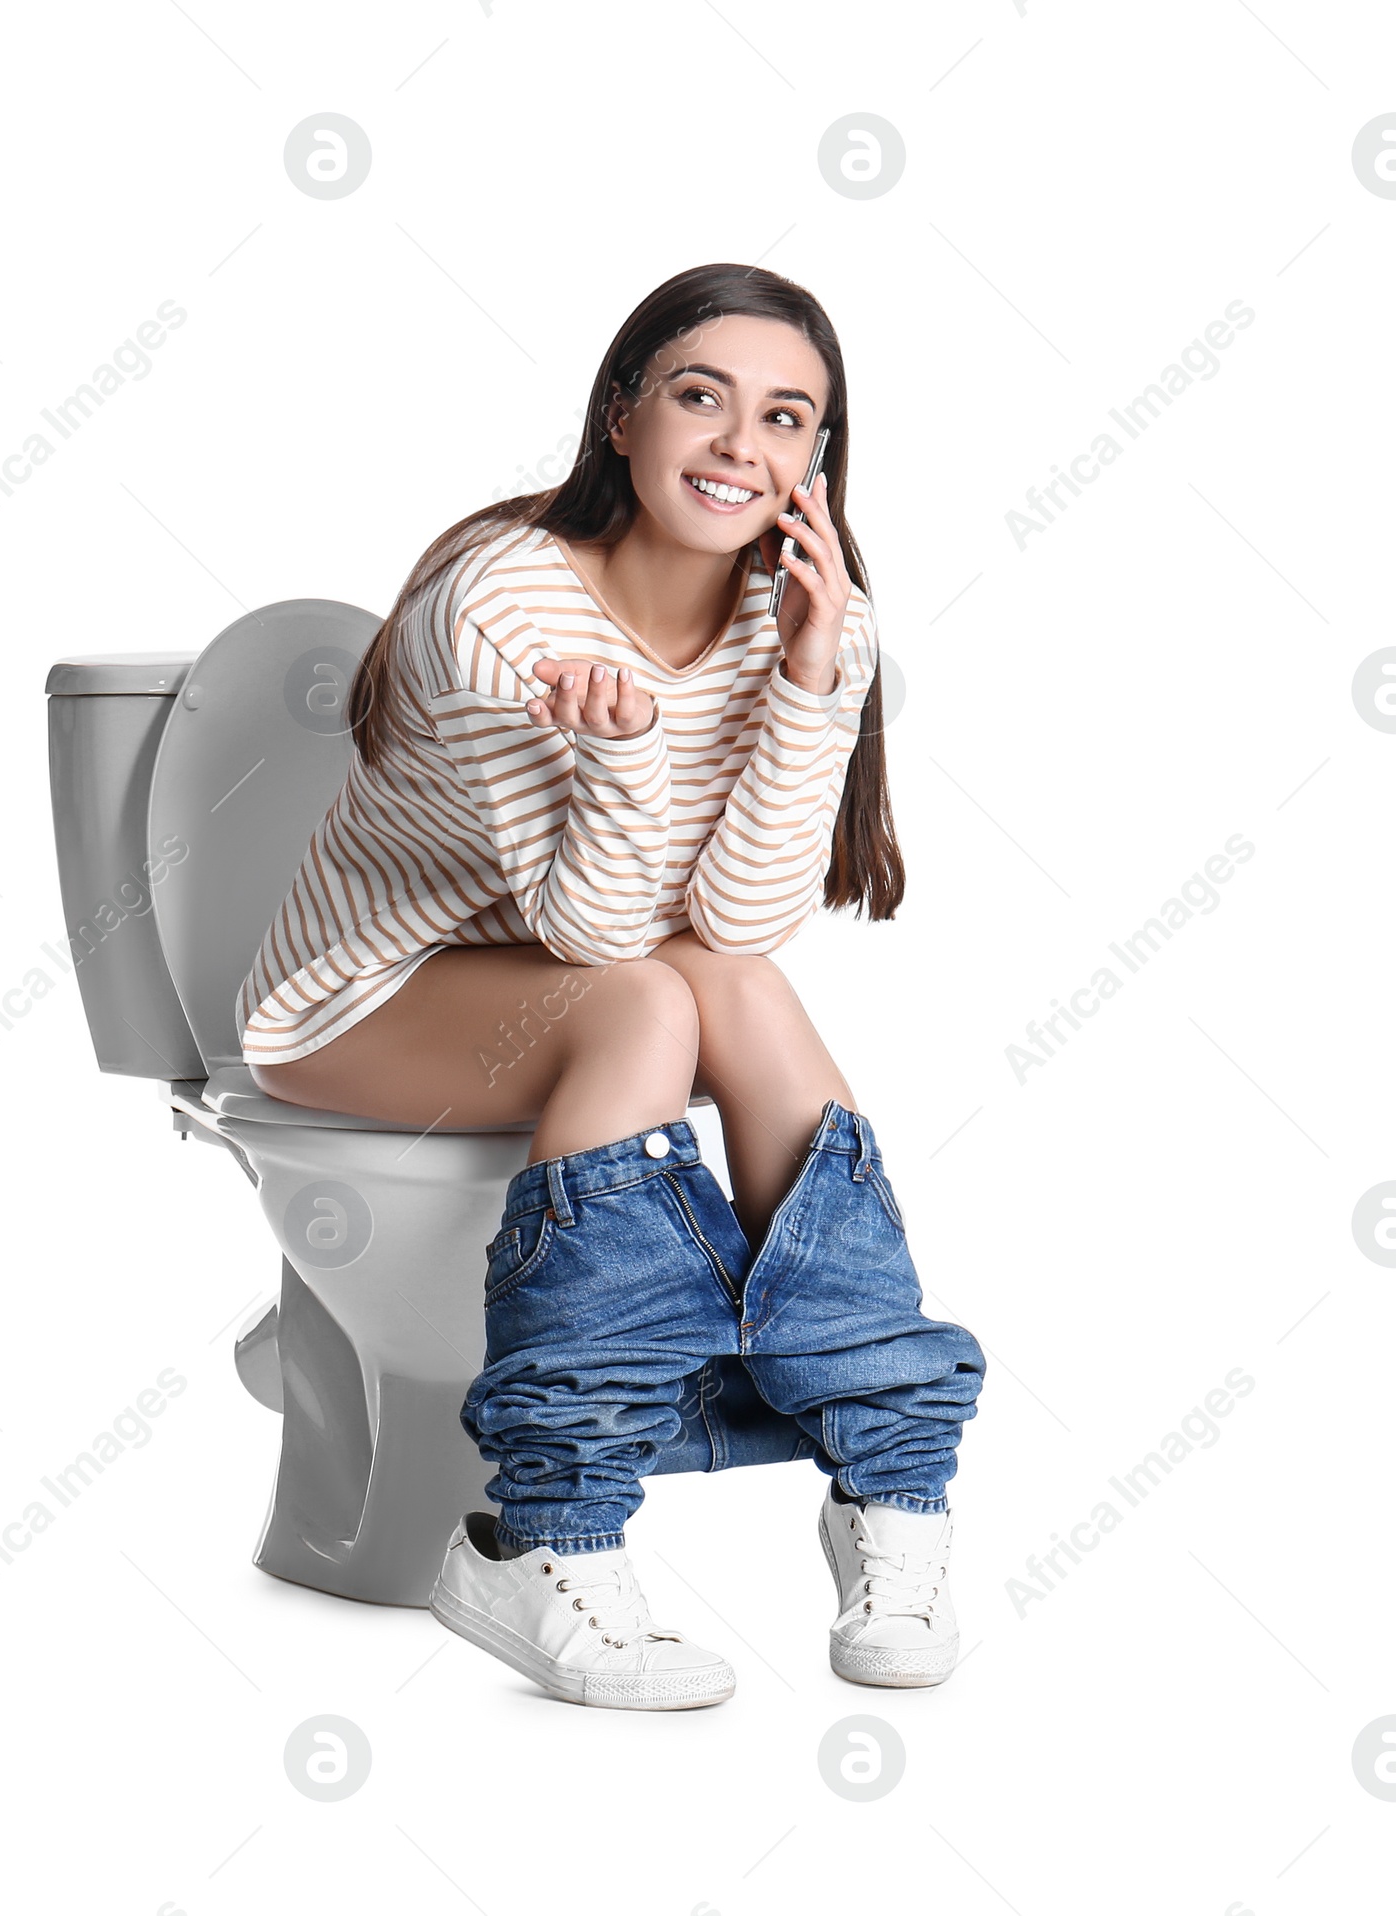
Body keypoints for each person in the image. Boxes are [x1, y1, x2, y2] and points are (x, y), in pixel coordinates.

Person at [238, 262, 985, 1713]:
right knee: (649, 1002)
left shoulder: (812, 615)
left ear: (816, 463)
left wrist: (816, 680)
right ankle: (538, 1534)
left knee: (733, 992)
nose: (738, 446)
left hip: (599, 976)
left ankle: (889, 1488)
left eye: (786, 419)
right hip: (364, 993)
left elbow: (742, 924)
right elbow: (599, 936)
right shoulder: (501, 610)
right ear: (623, 413)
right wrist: (629, 751)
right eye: (701, 396)